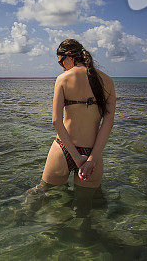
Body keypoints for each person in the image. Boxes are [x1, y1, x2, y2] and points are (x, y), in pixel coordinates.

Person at [35, 38, 116, 193]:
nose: (62, 67)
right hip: (93, 153)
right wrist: (91, 160)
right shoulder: (108, 81)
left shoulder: (62, 79)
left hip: (63, 150)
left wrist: (77, 159)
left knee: (46, 197)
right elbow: (108, 123)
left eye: (61, 62)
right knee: (86, 208)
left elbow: (56, 121)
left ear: (70, 57)